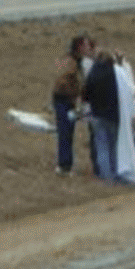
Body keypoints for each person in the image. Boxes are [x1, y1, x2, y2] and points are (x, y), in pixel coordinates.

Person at [81, 49, 135, 185]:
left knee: (101, 146)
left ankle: (106, 176)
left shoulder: (93, 73)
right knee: (115, 146)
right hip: (112, 116)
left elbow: (85, 94)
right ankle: (117, 172)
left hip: (97, 116)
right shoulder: (115, 74)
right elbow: (126, 92)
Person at [51, 34, 93, 176]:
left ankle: (66, 164)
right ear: (80, 47)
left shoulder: (78, 61)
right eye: (86, 45)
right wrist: (74, 95)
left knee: (68, 133)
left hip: (68, 101)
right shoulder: (71, 63)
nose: (89, 48)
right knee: (65, 132)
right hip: (64, 101)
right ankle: (64, 166)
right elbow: (62, 82)